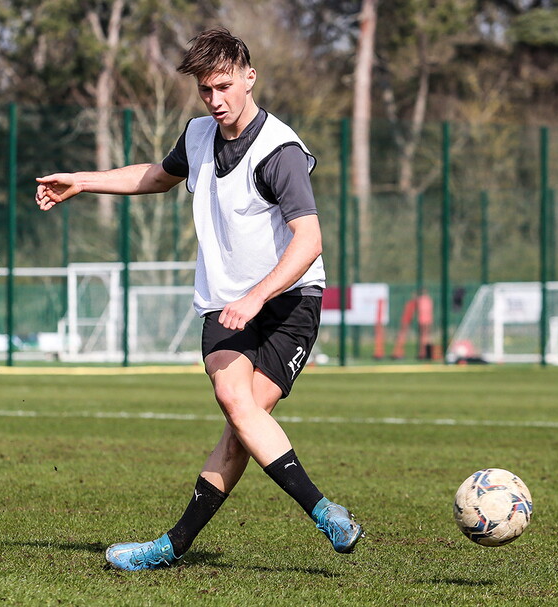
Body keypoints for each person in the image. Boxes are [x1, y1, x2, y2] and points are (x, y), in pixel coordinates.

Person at [35, 28, 362, 570]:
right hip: (224, 302)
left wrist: (258, 298)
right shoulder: (198, 134)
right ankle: (319, 513)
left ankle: (177, 544)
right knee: (239, 411)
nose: (215, 101)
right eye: (205, 90)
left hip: (287, 302)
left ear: (250, 77)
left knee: (242, 420)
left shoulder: (279, 150)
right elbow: (158, 176)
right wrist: (85, 181)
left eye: (224, 87)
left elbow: (309, 242)